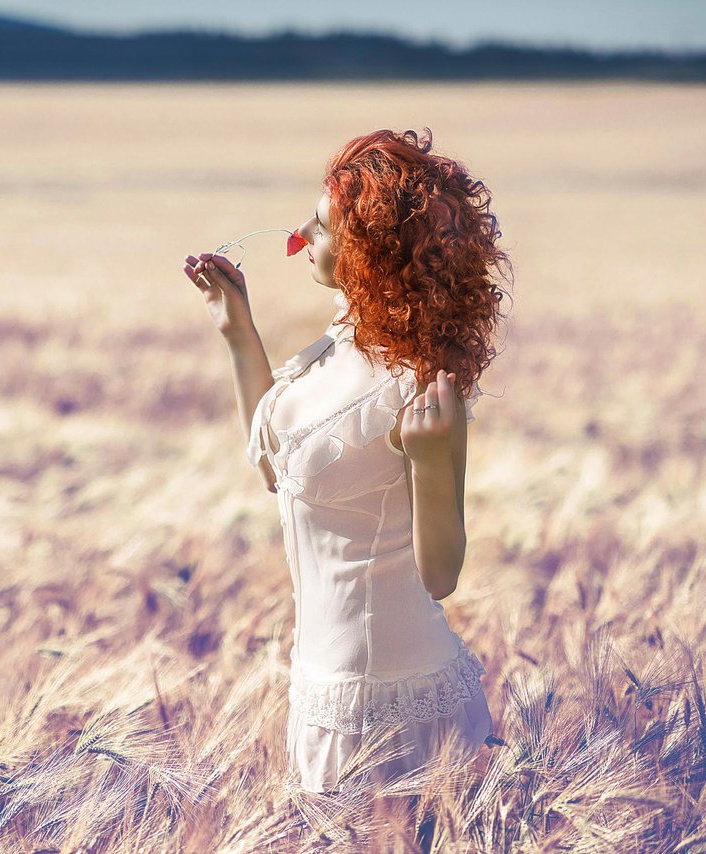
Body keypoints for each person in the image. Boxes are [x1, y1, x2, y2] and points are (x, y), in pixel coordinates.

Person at [182, 127, 512, 795]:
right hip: (321, 691)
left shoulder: (420, 382)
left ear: (370, 251)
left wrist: (426, 459)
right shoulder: (336, 343)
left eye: (323, 226)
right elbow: (277, 465)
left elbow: (442, 574)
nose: (301, 236)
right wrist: (236, 329)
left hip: (392, 708)